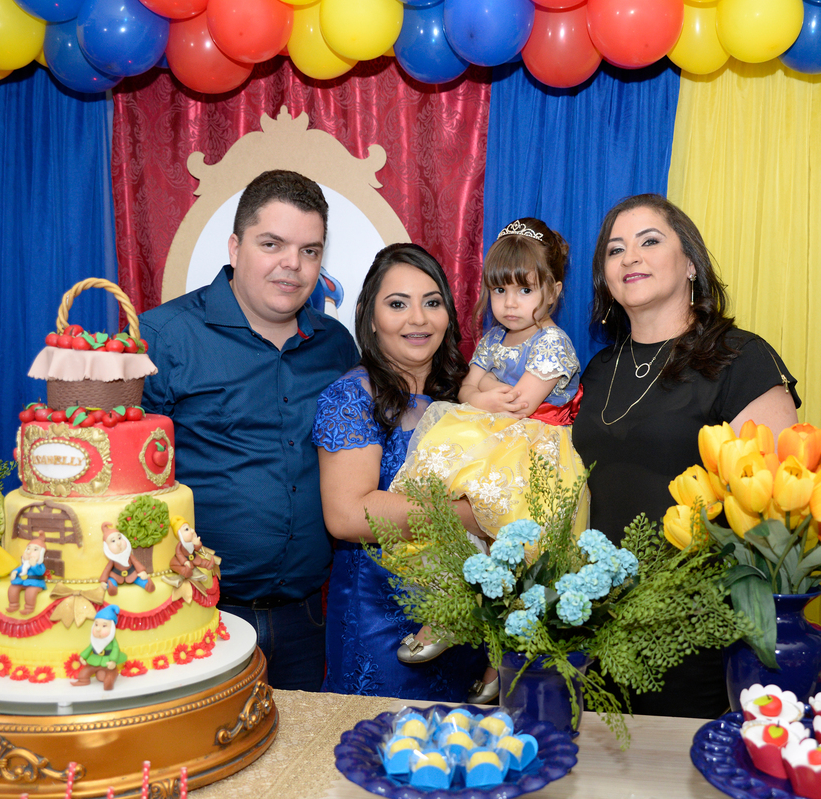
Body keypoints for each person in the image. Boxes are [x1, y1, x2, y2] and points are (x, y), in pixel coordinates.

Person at [571, 194, 801, 719]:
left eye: (649, 241)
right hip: (598, 626)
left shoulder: (740, 358)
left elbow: (778, 511)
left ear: (691, 264)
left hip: (698, 627)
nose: (630, 257)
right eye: (615, 249)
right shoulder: (598, 370)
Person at [141, 170, 360, 691]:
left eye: (310, 250)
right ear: (235, 247)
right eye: (272, 244)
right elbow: (123, 480)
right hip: (195, 614)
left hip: (306, 621)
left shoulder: (336, 346)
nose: (293, 264)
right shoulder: (163, 336)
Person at [389, 218, 589, 699]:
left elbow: (521, 403)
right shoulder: (493, 339)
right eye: (500, 290)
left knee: (522, 562)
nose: (510, 303)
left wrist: (484, 394)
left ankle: (504, 664)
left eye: (525, 290)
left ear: (554, 291)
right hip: (496, 442)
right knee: (453, 522)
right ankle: (449, 609)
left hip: (535, 456)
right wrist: (481, 397)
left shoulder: (552, 343)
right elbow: (465, 390)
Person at [312, 243, 485, 701]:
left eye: (432, 302)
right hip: (383, 628)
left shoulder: (465, 394)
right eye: (397, 304)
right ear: (369, 317)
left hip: (466, 623)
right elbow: (348, 514)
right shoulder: (353, 397)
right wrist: (472, 515)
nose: (418, 319)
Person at [72, 605, 127, 691]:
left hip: (108, 663)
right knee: (83, 673)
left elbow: (115, 649)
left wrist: (113, 661)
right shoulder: (95, 640)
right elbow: (90, 647)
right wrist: (83, 656)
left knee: (108, 680)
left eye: (104, 626)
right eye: (96, 624)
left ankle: (108, 686)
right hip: (95, 660)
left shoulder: (112, 641)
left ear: (112, 628)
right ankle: (83, 681)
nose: (98, 629)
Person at [6, 540, 48, 614]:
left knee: (30, 592)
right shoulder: (24, 564)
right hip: (22, 581)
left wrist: (34, 565)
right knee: (13, 588)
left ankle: (29, 607)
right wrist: (14, 572)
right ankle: (13, 605)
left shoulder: (40, 565)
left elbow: (40, 572)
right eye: (28, 549)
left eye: (35, 549)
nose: (29, 552)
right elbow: (19, 569)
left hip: (35, 583)